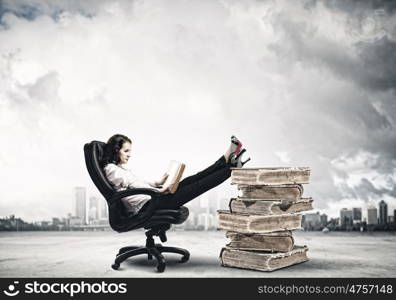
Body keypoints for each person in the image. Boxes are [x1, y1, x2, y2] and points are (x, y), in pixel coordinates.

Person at [101, 134, 250, 215]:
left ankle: (225, 159)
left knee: (193, 179)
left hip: (152, 199)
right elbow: (133, 185)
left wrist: (157, 183)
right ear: (115, 150)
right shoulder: (111, 170)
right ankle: (231, 168)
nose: (129, 155)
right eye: (126, 151)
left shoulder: (118, 168)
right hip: (149, 205)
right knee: (197, 186)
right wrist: (159, 190)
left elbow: (134, 183)